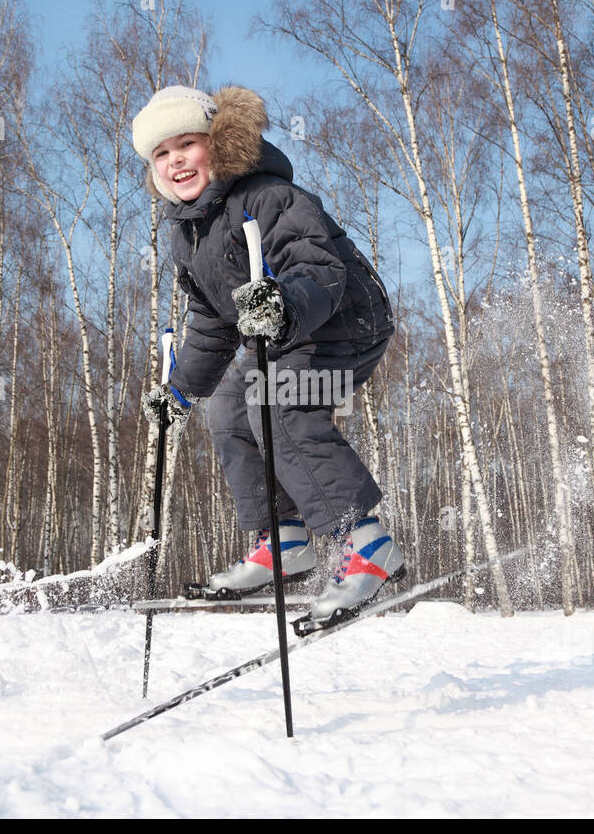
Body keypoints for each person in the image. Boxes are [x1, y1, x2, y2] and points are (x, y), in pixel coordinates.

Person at [133, 84, 404, 625]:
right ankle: (284, 537)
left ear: (218, 142)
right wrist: (181, 391)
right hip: (284, 340)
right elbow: (213, 323)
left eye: (187, 143)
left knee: (278, 406)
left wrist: (282, 303)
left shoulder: (267, 196)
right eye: (161, 154)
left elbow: (316, 268)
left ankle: (369, 547)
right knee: (229, 410)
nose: (175, 161)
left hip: (340, 323)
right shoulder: (189, 236)